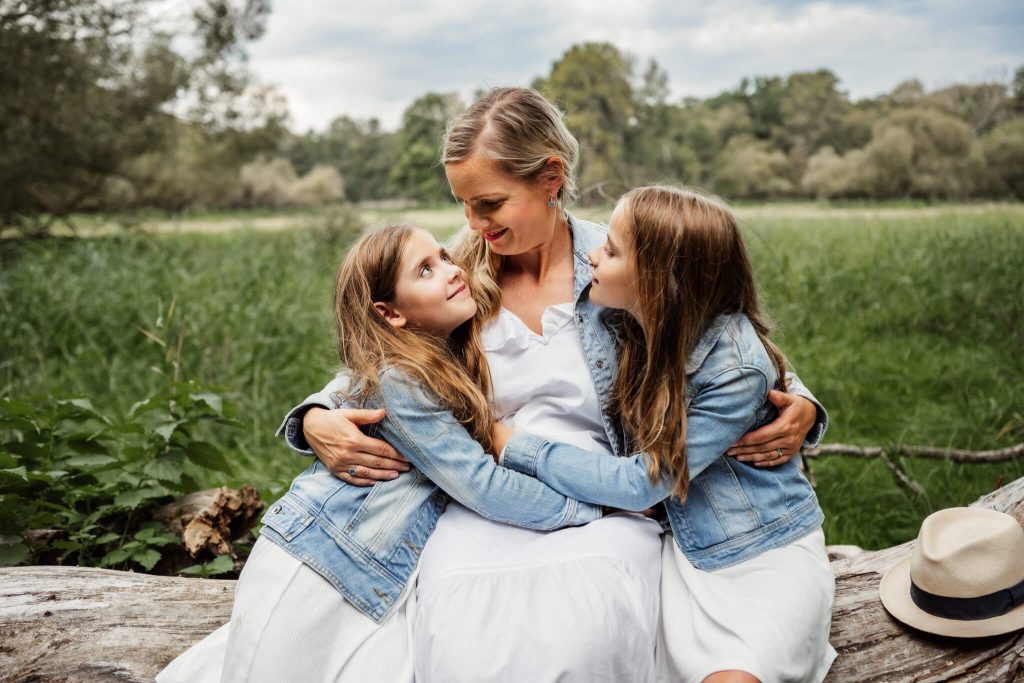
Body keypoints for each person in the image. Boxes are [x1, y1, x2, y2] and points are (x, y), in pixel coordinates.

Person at [287, 87, 829, 681]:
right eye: (463, 204)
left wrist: (799, 401)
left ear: (551, 177)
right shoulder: (457, 275)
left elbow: (712, 336)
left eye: (490, 202)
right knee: (471, 637)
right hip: (484, 501)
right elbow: (386, 356)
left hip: (612, 496)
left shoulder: (622, 260)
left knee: (586, 626)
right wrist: (316, 414)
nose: (475, 223)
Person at [157, 224, 625, 682]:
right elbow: (484, 486)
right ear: (390, 315)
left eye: (442, 256)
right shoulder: (400, 379)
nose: (450, 268)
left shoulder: (443, 351)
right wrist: (598, 505)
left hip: (379, 567)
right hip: (321, 562)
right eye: (425, 270)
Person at [491, 185, 837, 682]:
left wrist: (515, 447)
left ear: (659, 280)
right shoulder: (632, 313)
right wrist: (334, 408)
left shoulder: (734, 367)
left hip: (760, 551)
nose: (591, 257)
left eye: (609, 251)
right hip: (682, 553)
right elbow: (408, 331)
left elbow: (641, 483)